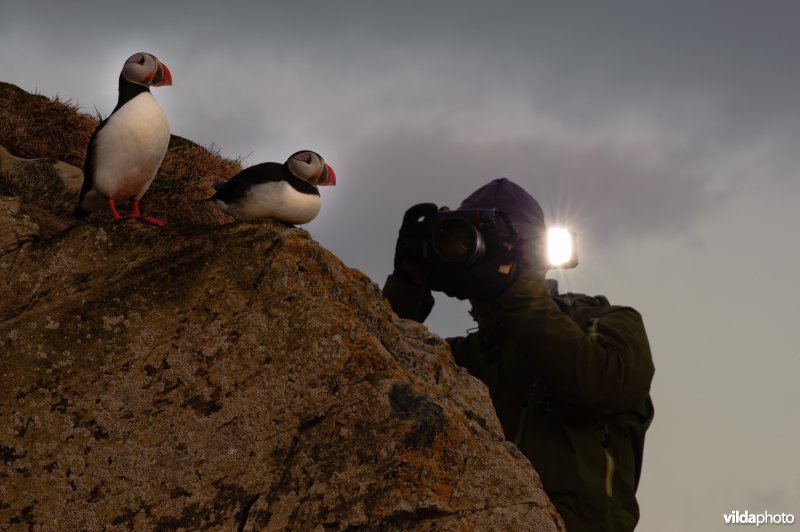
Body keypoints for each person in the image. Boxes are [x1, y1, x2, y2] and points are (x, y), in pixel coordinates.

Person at [382, 178, 655, 531]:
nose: (489, 256)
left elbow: (598, 385)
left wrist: (511, 287)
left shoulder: (608, 324)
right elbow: (367, 381)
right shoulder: (459, 358)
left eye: (503, 245)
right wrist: (407, 285)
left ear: (532, 254)